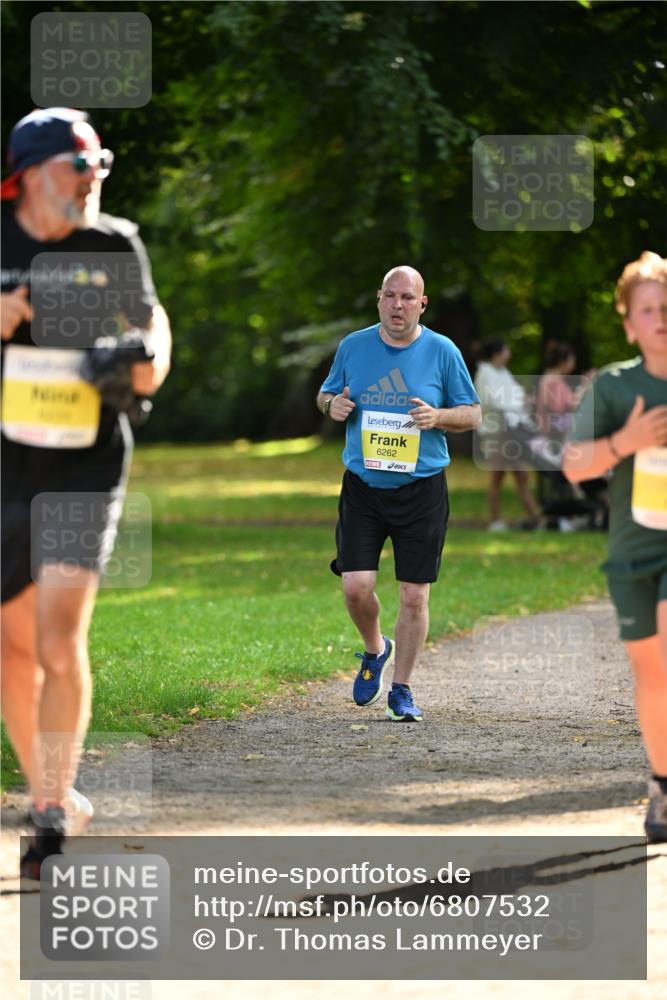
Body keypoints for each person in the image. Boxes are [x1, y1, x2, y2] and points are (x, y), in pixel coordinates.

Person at [1, 108, 171, 877]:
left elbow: (154, 331)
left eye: (101, 166)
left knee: (58, 634)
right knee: (10, 645)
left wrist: (143, 361)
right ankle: (52, 792)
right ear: (34, 173)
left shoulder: (113, 243)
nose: (94, 179)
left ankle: (49, 816)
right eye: (81, 167)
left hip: (84, 462)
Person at [317, 266, 481, 722]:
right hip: (364, 487)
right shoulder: (354, 346)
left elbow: (474, 414)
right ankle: (375, 648)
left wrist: (440, 417)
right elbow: (325, 396)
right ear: (379, 299)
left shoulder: (442, 351)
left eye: (407, 298)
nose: (398, 305)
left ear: (421, 304)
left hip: (421, 489)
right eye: (390, 296)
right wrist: (333, 405)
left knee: (414, 595)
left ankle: (402, 690)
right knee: (356, 587)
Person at [562, 251, 667, 842]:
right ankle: (662, 783)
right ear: (629, 323)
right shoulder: (615, 384)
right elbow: (575, 466)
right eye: (648, 309)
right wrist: (627, 439)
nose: (661, 318)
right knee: (652, 675)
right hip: (632, 555)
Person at [473, 338, 541, 531]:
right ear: (497, 353)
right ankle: (495, 520)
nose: (508, 354)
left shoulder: (502, 373)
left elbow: (515, 396)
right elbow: (492, 402)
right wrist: (516, 406)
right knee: (499, 476)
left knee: (520, 475)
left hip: (511, 431)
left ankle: (535, 517)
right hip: (497, 432)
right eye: (506, 350)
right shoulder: (485, 374)